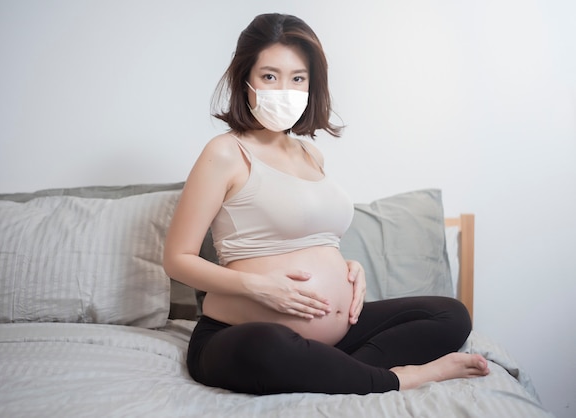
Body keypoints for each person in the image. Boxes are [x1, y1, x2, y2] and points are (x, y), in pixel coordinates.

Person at [163, 13, 489, 395]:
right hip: (239, 334)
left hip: (333, 335)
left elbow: (312, 237)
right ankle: (403, 378)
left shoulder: (311, 154)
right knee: (270, 348)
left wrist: (347, 269)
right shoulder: (225, 153)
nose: (284, 88)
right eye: (270, 76)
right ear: (246, 79)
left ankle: (335, 370)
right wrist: (258, 287)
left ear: (311, 85)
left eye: (297, 78)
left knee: (450, 315)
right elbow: (177, 258)